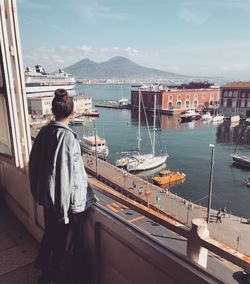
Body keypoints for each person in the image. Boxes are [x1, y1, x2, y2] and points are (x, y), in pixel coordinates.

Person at [29, 89, 98, 284]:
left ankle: (43, 271)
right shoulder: (69, 138)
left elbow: (34, 163)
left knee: (50, 234)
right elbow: (75, 177)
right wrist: (77, 206)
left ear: (53, 110)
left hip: (46, 197)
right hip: (62, 202)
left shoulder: (44, 132)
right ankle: (54, 277)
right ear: (72, 111)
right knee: (60, 243)